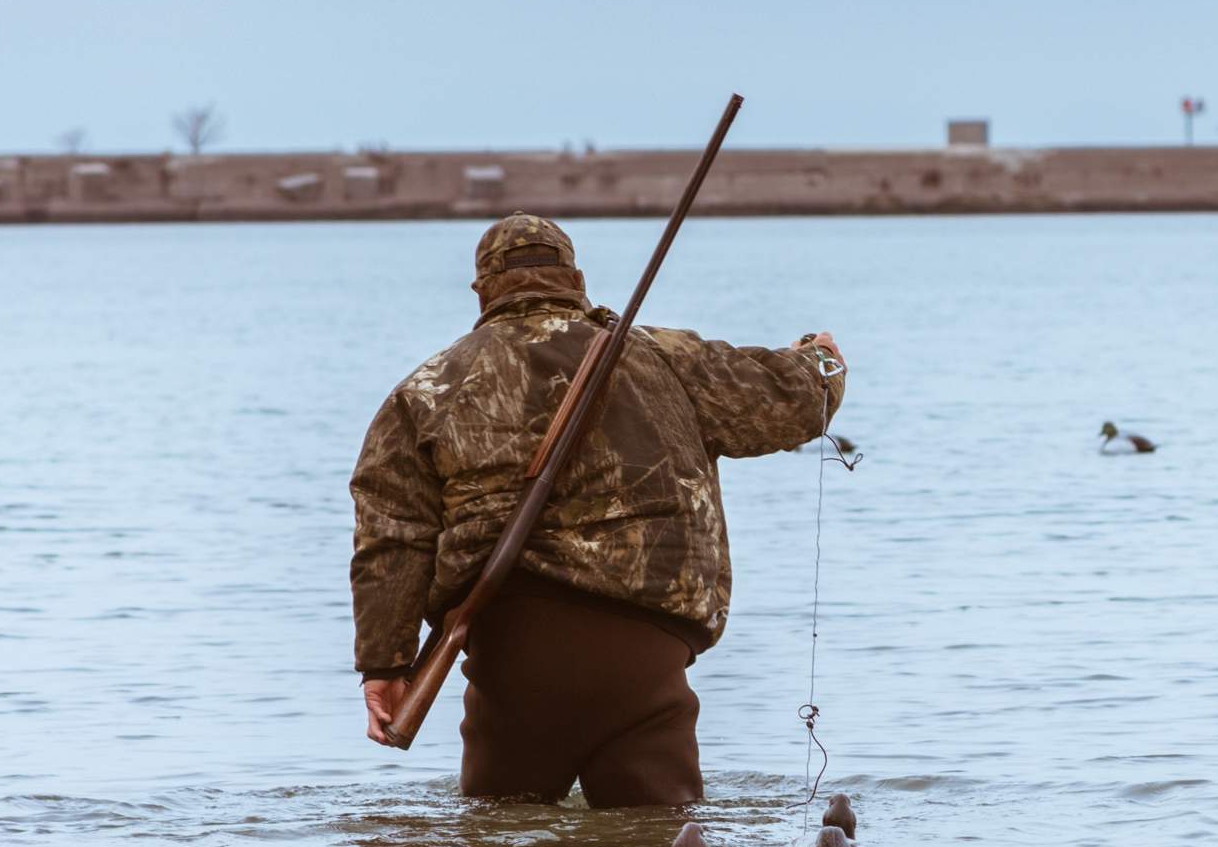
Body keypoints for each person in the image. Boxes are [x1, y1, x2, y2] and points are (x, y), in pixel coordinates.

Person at [348, 214, 845, 807]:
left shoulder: (423, 391)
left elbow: (391, 539)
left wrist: (384, 662)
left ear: (481, 291)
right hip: (646, 657)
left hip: (512, 658)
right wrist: (820, 361)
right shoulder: (666, 357)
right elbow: (788, 403)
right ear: (575, 278)